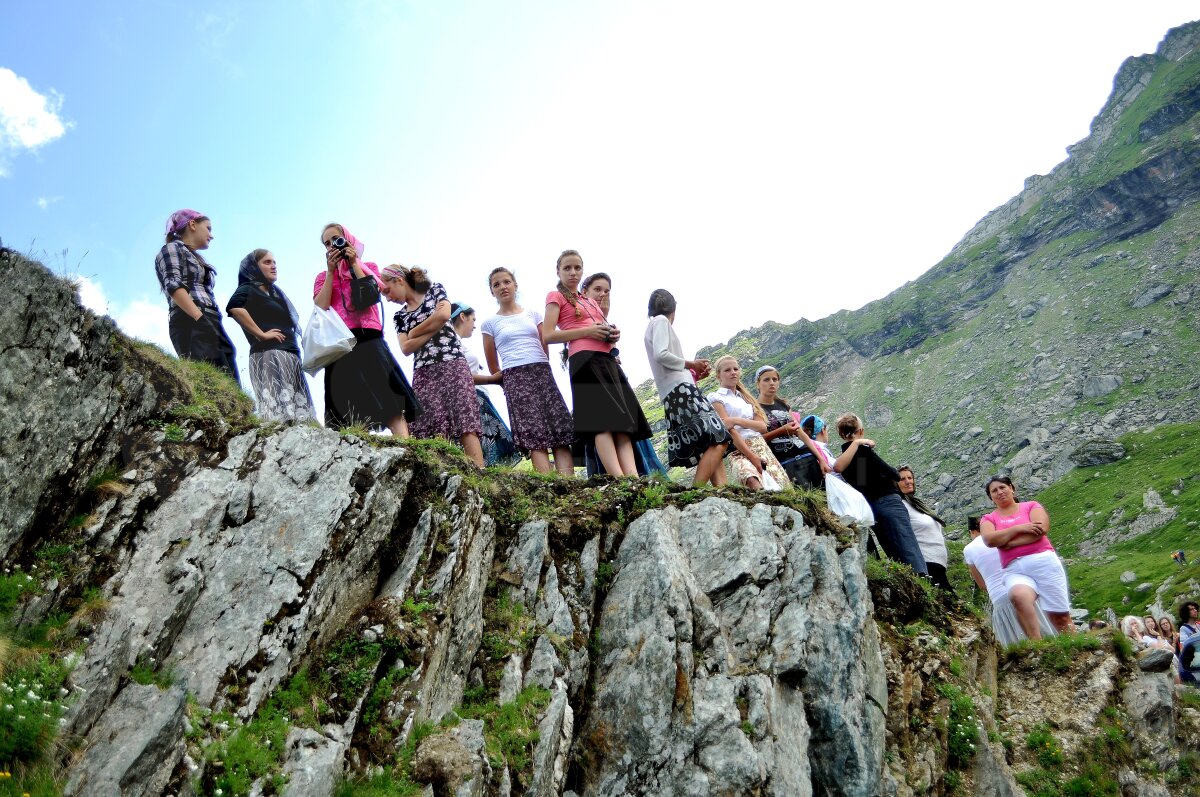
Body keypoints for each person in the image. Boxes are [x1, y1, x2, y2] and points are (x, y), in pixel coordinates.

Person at [543, 251, 652, 477]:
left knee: (622, 422)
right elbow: (548, 335)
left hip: (607, 360)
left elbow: (600, 326)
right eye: (567, 268)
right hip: (584, 360)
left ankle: (633, 477)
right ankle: (618, 477)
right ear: (558, 271)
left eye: (577, 268)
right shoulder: (556, 296)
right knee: (601, 422)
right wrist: (588, 331)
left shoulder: (590, 301)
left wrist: (612, 334)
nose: (573, 272)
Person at [314, 224, 419, 436]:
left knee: (391, 398)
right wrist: (331, 272)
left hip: (369, 337)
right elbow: (321, 306)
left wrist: (354, 263)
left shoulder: (368, 267)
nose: (332, 245)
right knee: (347, 404)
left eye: (336, 239)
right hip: (340, 343)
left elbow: (370, 296)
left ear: (347, 239)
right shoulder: (323, 277)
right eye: (327, 243)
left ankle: (406, 448)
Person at [383, 264, 484, 467]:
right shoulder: (399, 316)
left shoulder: (434, 289)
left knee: (465, 419)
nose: (387, 298)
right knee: (429, 425)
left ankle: (479, 472)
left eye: (387, 290)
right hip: (424, 372)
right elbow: (405, 347)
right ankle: (439, 475)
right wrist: (433, 325)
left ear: (399, 280)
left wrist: (413, 332)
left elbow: (445, 315)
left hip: (453, 363)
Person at [481, 267, 575, 475]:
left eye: (506, 282)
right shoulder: (489, 323)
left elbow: (544, 343)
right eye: (496, 284)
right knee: (533, 434)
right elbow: (493, 364)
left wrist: (540, 365)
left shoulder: (533, 314)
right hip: (514, 377)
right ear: (492, 291)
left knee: (558, 428)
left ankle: (569, 482)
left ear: (515, 285)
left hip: (541, 370)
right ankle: (548, 483)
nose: (502, 287)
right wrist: (507, 382)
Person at [643, 289, 730, 486]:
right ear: (673, 308)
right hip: (682, 391)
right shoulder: (661, 321)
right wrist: (691, 364)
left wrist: (693, 374)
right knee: (719, 437)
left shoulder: (651, 327)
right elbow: (661, 354)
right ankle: (695, 492)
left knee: (710, 443)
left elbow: (665, 367)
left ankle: (722, 490)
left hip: (674, 392)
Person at [582, 272, 665, 477]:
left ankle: (634, 475)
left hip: (612, 372)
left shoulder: (604, 321)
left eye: (606, 291)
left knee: (623, 426)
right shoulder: (579, 319)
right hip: (592, 375)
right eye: (597, 289)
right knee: (603, 426)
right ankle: (617, 475)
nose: (602, 294)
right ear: (585, 292)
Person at [226, 249, 315, 423]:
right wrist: (261, 334)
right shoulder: (249, 288)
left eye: (274, 262)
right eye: (267, 262)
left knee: (301, 416)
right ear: (254, 267)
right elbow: (234, 308)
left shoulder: (276, 294)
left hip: (289, 356)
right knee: (279, 416)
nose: (274, 266)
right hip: (270, 355)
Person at [980, 475, 1074, 639]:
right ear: (991, 497)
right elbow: (989, 540)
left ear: (1012, 488)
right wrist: (1019, 528)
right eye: (994, 491)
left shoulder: (1031, 506)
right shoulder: (988, 518)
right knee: (1018, 597)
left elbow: (1041, 529)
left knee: (1060, 617)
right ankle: (1038, 646)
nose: (999, 492)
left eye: (1003, 487)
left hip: (1044, 562)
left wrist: (1008, 542)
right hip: (1014, 569)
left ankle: (1075, 645)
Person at [834, 413, 927, 576]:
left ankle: (906, 578)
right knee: (906, 542)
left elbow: (862, 481)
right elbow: (893, 473)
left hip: (871, 507)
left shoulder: (845, 458)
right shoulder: (864, 452)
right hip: (888, 502)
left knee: (891, 546)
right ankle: (921, 577)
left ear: (842, 434)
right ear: (861, 431)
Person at [154, 209, 240, 383]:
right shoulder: (172, 248)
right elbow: (173, 285)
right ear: (192, 224)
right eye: (208, 228)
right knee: (208, 378)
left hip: (207, 317)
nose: (211, 235)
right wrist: (199, 318)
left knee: (228, 373)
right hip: (192, 318)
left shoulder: (194, 257)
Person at [963, 515, 1056, 645]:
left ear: (971, 532)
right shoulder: (1002, 538)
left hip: (999, 598)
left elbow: (981, 585)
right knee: (1047, 636)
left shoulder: (968, 550)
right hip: (1024, 590)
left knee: (1017, 645)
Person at [450, 303, 521, 468]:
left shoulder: (457, 342)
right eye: (473, 319)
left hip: (478, 396)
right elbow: (460, 376)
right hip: (472, 396)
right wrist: (491, 379)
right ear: (462, 317)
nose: (474, 325)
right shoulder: (453, 342)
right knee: (483, 445)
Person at [708, 356, 791, 490]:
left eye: (736, 369)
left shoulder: (746, 398)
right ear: (718, 376)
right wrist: (751, 456)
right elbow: (729, 430)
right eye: (727, 370)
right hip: (737, 449)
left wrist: (735, 420)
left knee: (781, 489)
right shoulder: (715, 397)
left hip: (760, 446)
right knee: (751, 479)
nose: (733, 372)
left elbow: (762, 427)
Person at [754, 365, 828, 488]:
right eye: (766, 380)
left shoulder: (783, 405)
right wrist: (781, 431)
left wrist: (821, 459)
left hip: (807, 456)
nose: (771, 383)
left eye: (774, 379)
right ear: (758, 384)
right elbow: (757, 440)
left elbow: (801, 433)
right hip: (785, 462)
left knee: (822, 495)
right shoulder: (755, 408)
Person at [897, 466, 954, 592]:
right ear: (895, 484)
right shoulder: (900, 505)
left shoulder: (916, 504)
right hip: (926, 564)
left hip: (938, 565)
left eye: (910, 478)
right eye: (902, 479)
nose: (908, 481)